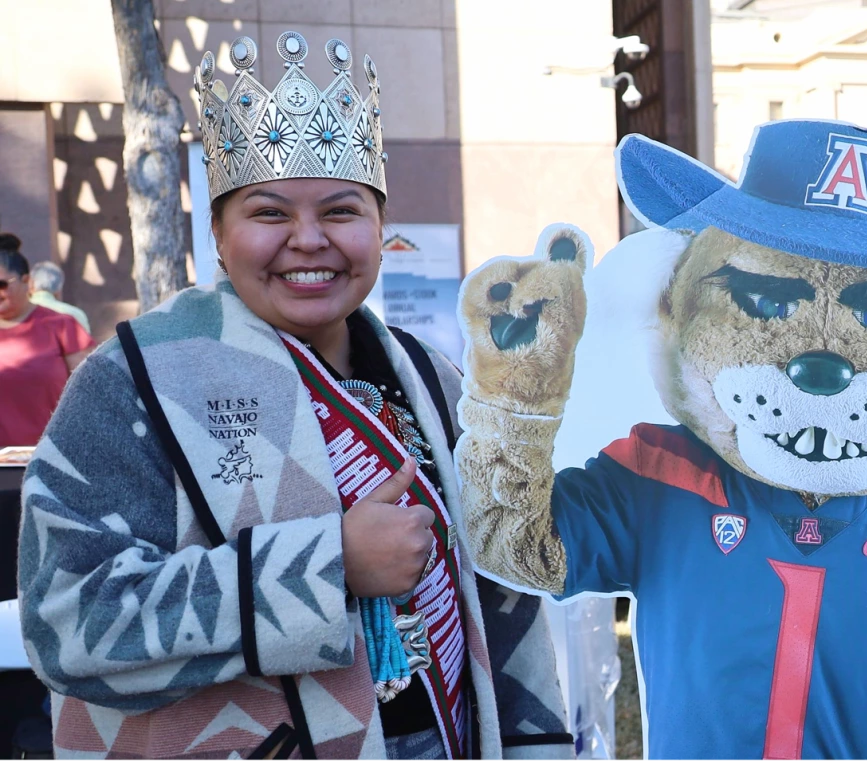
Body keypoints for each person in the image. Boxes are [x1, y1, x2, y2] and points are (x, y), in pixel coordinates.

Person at [19, 33, 573, 762]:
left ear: (381, 229)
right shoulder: (132, 378)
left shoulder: (431, 375)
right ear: (218, 234)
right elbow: (67, 619)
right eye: (270, 214)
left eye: (342, 212)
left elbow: (501, 601)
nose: (309, 241)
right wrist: (328, 566)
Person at [0, 235, 94, 448]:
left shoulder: (62, 326)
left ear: (27, 281)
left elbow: (95, 393)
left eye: (2, 284)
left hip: (52, 460)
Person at [29, 260, 91, 333]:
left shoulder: (20, 312)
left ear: (31, 284)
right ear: (59, 290)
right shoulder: (77, 314)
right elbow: (87, 343)